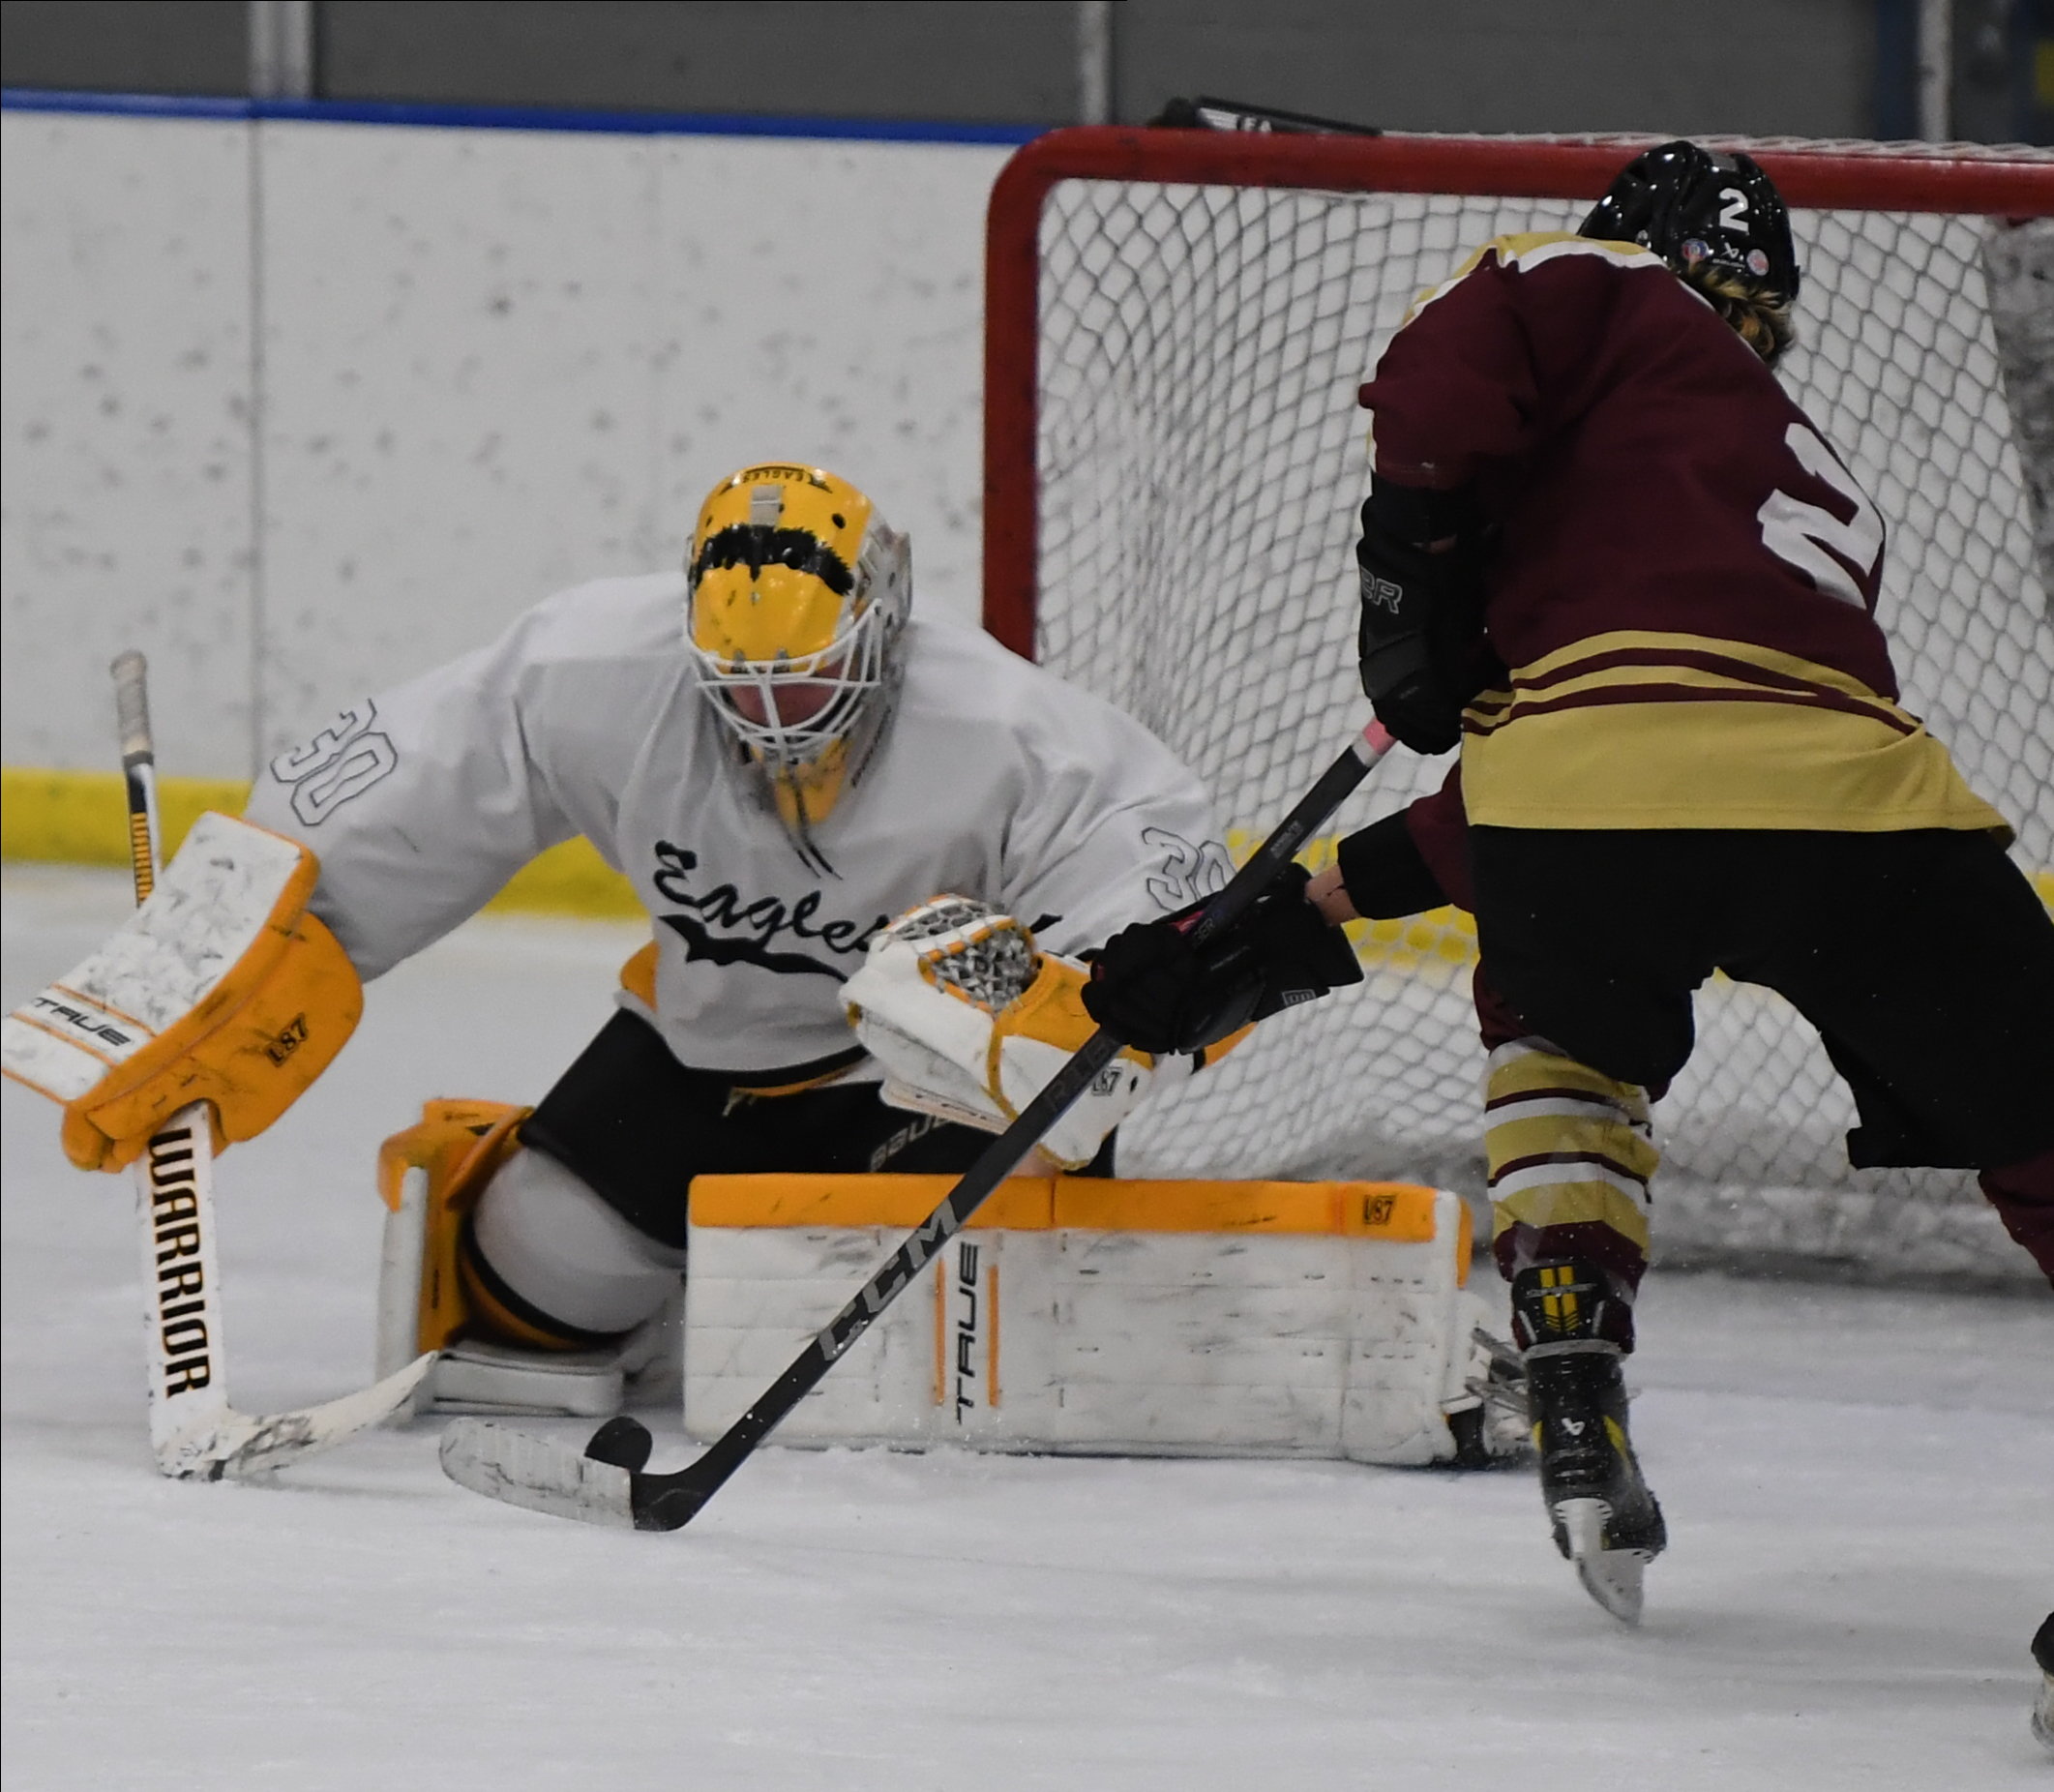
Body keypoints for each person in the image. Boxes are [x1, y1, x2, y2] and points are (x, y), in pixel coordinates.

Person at [1081, 143, 2054, 1623]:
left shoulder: (1589, 275)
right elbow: (1701, 740)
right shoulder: (1795, 472)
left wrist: (1409, 574)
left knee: (1559, 1014)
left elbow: (1576, 785)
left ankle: (1568, 1330)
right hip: (1863, 821)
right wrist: (1297, 910)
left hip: (1577, 822)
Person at [9, 462, 1277, 1417]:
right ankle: (668, 1298)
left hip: (925, 1083)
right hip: (706, 1049)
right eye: (740, 690)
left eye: (801, 685)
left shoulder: (1008, 727)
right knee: (534, 1270)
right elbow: (401, 785)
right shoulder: (588, 669)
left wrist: (1107, 997)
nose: (771, 722)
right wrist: (229, 951)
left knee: (927, 1345)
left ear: (879, 631)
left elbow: (1156, 857)